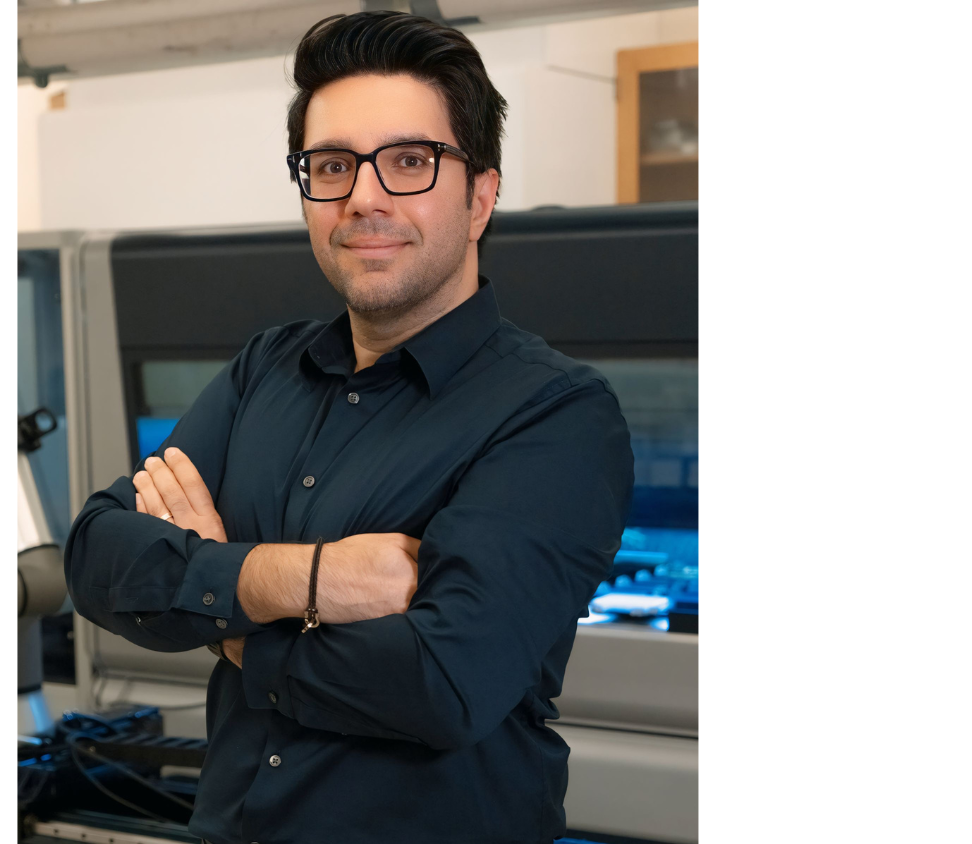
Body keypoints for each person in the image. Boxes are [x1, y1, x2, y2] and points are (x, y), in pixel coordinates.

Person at [62, 11, 634, 844]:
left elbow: (441, 682)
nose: (364, 196)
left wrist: (220, 612)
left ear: (480, 195)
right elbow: (96, 555)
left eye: (409, 161)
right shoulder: (266, 370)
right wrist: (309, 579)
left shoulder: (557, 414)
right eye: (332, 165)